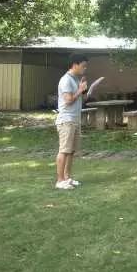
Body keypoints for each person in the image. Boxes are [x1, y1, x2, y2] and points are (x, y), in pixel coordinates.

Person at [55, 53, 89, 190]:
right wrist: (80, 90)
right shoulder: (66, 80)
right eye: (83, 66)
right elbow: (68, 100)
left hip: (75, 119)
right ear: (75, 65)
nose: (85, 68)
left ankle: (67, 178)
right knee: (64, 150)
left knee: (71, 151)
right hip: (66, 120)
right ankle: (60, 180)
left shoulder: (75, 79)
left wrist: (83, 91)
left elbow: (78, 98)